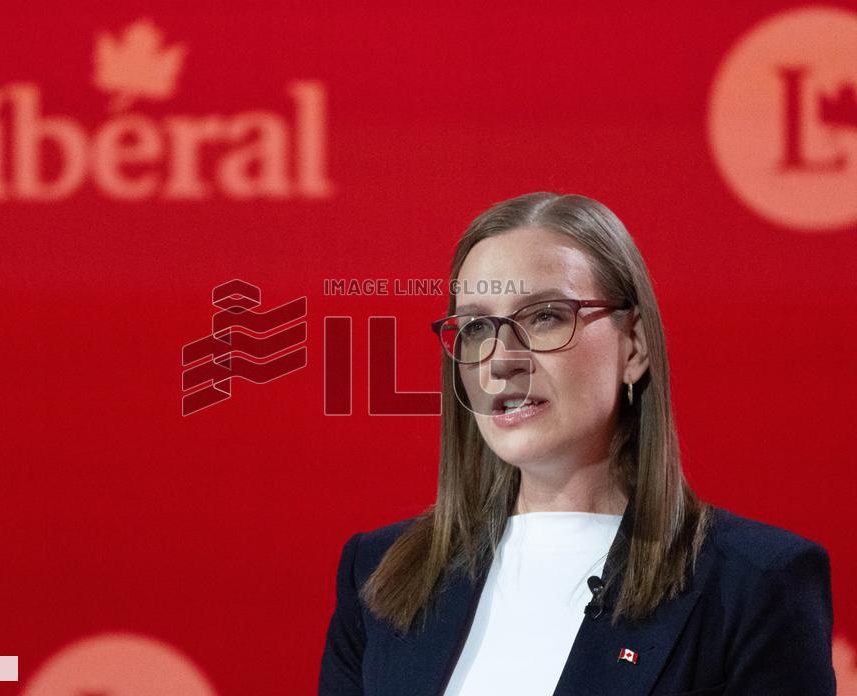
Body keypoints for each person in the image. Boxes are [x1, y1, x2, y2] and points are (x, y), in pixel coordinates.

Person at [317, 192, 835, 695]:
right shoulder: (378, 574)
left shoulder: (757, 583)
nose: (501, 361)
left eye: (544, 317)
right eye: (476, 327)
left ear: (634, 346)